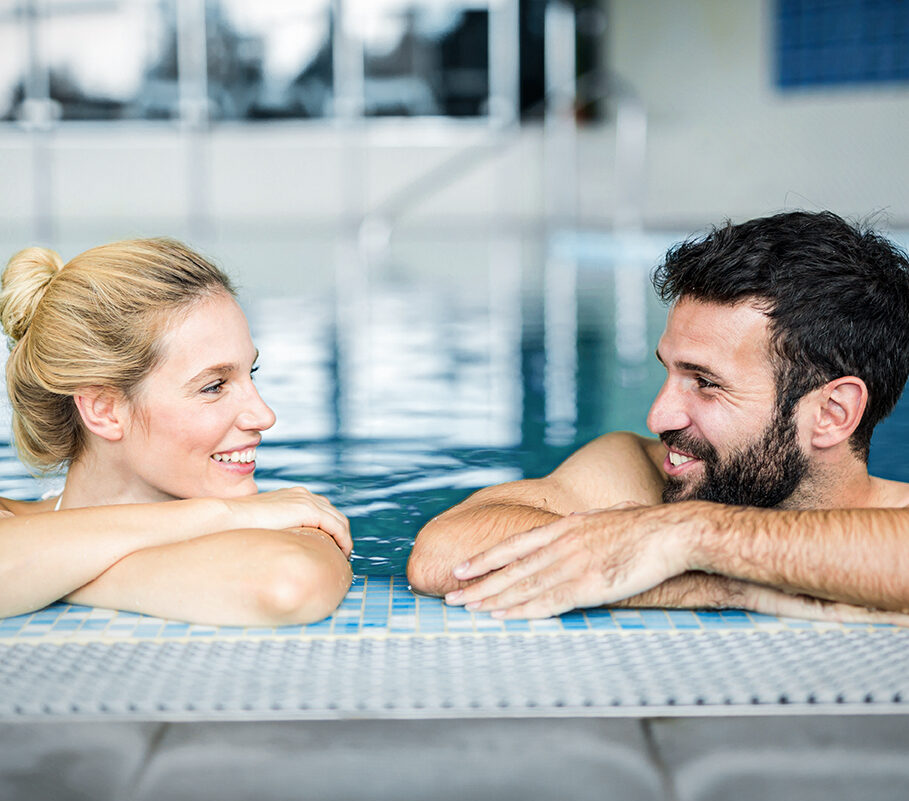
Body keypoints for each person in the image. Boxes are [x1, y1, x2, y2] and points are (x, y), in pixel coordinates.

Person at [407, 211, 909, 624]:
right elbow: (443, 552)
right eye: (669, 372)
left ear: (831, 413)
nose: (658, 416)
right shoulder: (641, 472)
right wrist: (712, 579)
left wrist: (689, 533)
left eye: (706, 384)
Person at [0, 238, 353, 624]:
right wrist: (225, 515)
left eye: (250, 374)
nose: (264, 415)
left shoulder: (285, 518)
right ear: (104, 410)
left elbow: (288, 585)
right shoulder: (257, 517)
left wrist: (43, 577)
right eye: (214, 386)